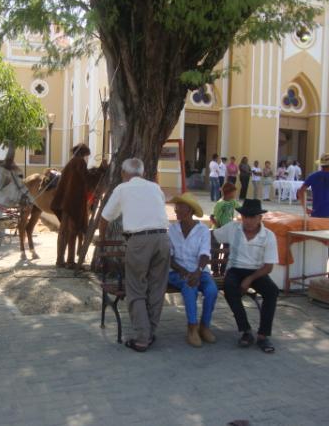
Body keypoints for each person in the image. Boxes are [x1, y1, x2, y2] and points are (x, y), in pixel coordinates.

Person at [99, 158, 170, 352]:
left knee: (136, 289)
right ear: (142, 172)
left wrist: (102, 242)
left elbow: (104, 218)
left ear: (123, 173)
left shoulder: (122, 188)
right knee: (157, 288)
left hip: (139, 242)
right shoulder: (155, 188)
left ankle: (141, 337)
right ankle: (150, 332)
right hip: (163, 239)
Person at [212, 199, 279, 353]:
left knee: (272, 292)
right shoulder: (233, 228)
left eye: (252, 217)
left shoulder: (268, 236)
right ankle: (246, 331)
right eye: (245, 216)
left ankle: (263, 335)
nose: (248, 220)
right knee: (230, 288)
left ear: (260, 218)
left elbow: (268, 267)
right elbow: (214, 235)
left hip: (257, 272)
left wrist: (249, 279)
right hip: (235, 269)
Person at [167, 193, 218, 347]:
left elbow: (204, 254)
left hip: (200, 271)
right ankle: (192, 328)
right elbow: (169, 258)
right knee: (190, 287)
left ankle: (205, 326)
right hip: (176, 272)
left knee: (211, 290)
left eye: (179, 207)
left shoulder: (202, 230)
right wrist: (184, 272)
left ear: (189, 210)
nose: (176, 210)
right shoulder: (172, 229)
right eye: (176, 207)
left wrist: (197, 271)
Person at [51, 143, 91, 268]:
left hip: (64, 204)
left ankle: (60, 260)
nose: (86, 157)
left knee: (63, 232)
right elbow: (87, 180)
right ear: (83, 153)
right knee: (72, 232)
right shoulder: (80, 163)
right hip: (73, 204)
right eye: (86, 155)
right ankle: (70, 261)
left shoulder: (70, 163)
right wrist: (100, 171)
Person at [210, 182, 239, 275]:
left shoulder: (233, 202)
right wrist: (219, 227)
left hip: (229, 232)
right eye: (234, 192)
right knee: (216, 252)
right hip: (218, 231)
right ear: (228, 192)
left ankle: (223, 270)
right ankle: (215, 271)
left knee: (227, 251)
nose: (235, 194)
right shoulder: (220, 203)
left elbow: (240, 208)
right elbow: (212, 217)